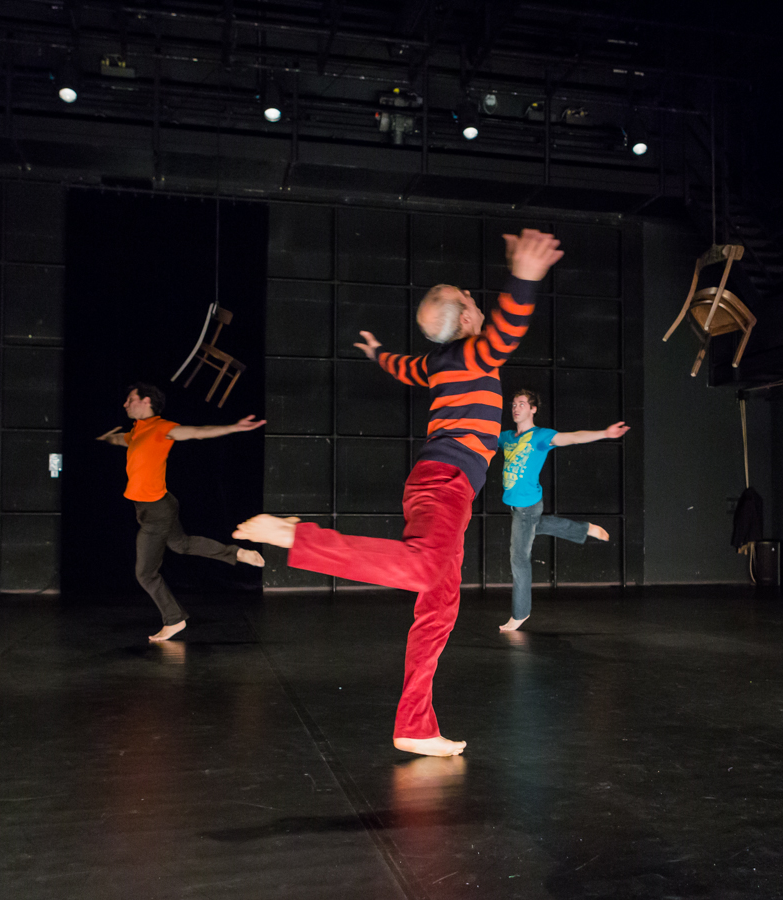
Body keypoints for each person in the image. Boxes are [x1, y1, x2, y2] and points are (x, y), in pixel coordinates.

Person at [232, 229, 564, 757]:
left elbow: (401, 367)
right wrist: (523, 277)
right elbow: (508, 331)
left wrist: (377, 351)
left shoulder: (436, 363)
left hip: (439, 485)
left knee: (441, 604)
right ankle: (300, 539)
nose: (477, 300)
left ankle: (414, 724)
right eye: (470, 298)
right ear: (469, 320)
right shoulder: (479, 354)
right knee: (425, 573)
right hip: (447, 484)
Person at [97, 383, 266, 642]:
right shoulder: (137, 431)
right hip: (154, 506)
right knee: (182, 544)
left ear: (146, 401)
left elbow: (198, 432)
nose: (125, 404)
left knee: (145, 573)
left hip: (156, 511)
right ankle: (239, 553)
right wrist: (107, 438)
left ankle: (174, 620)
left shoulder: (162, 428)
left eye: (130, 399)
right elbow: (122, 440)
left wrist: (233, 427)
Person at [497, 390, 630, 632]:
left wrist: (605, 433)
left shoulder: (540, 436)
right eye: (514, 404)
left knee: (519, 557)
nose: (516, 408)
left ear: (533, 409)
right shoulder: (505, 437)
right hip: (516, 507)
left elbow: (574, 437)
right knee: (536, 528)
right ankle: (584, 529)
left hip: (527, 506)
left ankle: (520, 613)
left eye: (522, 404)